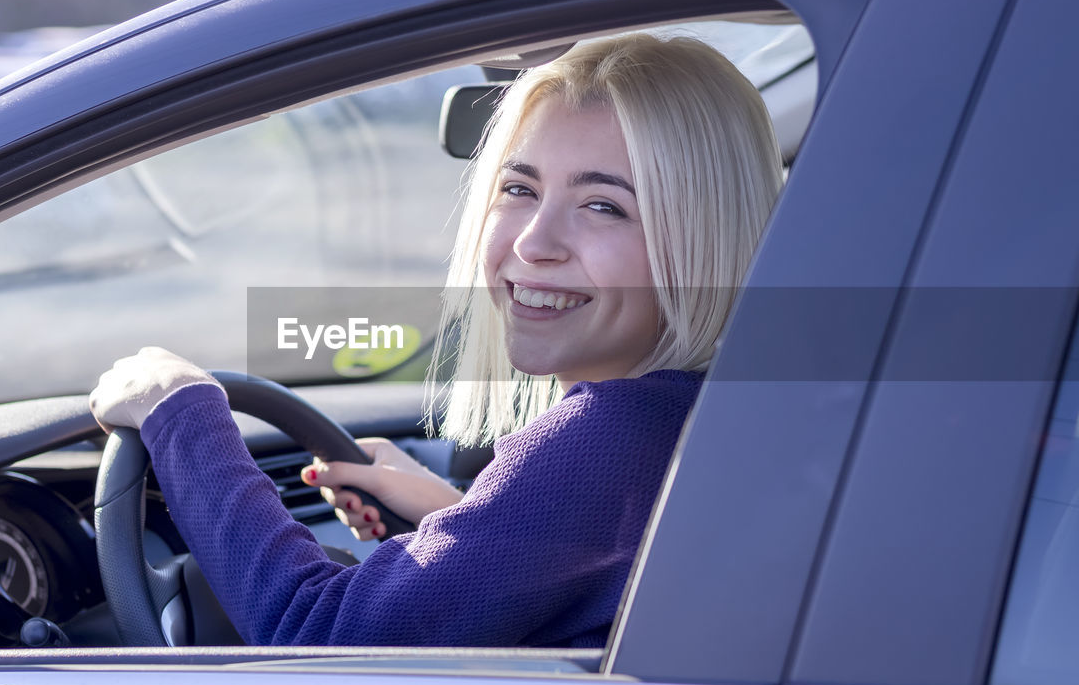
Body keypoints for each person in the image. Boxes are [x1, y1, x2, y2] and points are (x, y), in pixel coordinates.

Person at [90, 32, 783, 647]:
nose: (534, 242)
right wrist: (463, 517)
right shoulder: (700, 418)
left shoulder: (619, 431)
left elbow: (321, 636)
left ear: (703, 244)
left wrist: (178, 411)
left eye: (603, 205)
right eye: (519, 189)